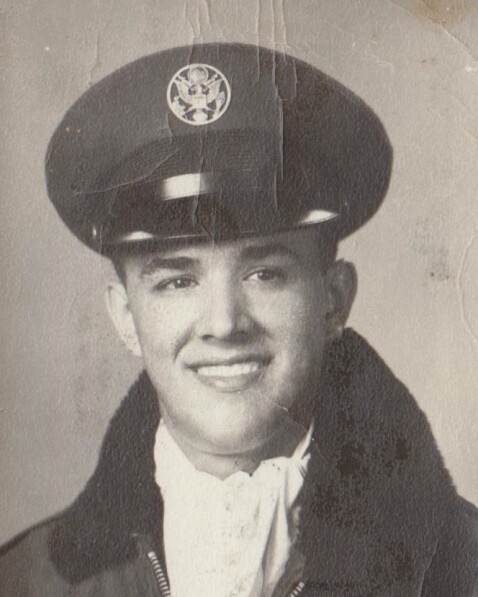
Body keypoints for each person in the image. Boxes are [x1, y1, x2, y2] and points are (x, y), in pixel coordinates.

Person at [0, 43, 476, 597]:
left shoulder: (460, 568)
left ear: (334, 300)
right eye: (178, 281)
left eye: (265, 274)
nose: (224, 323)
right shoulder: (26, 581)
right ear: (126, 317)